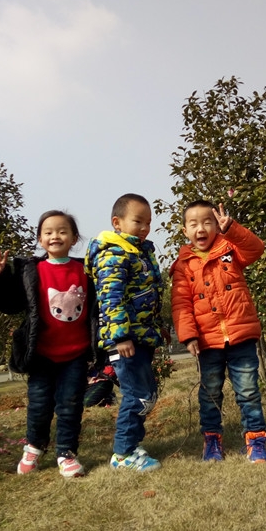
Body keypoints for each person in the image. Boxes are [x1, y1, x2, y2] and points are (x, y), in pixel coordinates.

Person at [0, 210, 99, 478]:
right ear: (40, 239)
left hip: (75, 354)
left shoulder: (86, 270)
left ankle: (66, 453)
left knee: (70, 405)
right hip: (41, 354)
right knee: (39, 404)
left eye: (62, 231)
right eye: (48, 232)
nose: (55, 236)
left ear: (74, 238)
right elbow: (11, 304)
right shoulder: (31, 271)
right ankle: (34, 447)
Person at [170, 200, 266, 463]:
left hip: (241, 336)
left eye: (207, 222)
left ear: (216, 226)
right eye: (194, 224)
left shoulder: (230, 249)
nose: (201, 228)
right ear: (185, 231)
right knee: (210, 393)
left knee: (248, 392)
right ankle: (212, 440)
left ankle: (256, 441)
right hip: (207, 342)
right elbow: (181, 304)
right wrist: (188, 336)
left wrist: (232, 229)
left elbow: (256, 248)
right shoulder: (183, 265)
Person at [85, 193, 165, 472]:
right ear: (117, 222)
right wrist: (120, 336)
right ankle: (123, 453)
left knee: (146, 393)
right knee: (136, 394)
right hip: (125, 339)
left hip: (140, 336)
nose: (144, 228)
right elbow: (111, 298)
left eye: (148, 222)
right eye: (138, 221)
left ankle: (132, 444)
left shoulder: (139, 251)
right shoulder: (113, 254)